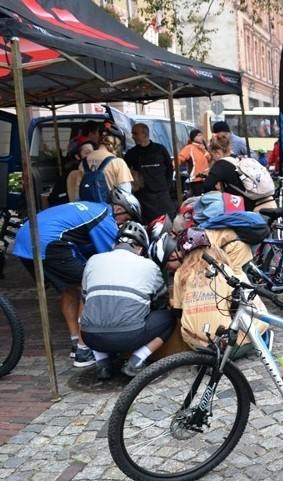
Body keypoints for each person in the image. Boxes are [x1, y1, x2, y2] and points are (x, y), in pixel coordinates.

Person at [11, 199, 130, 367]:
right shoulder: (104, 218)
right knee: (89, 288)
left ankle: (75, 342)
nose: (124, 223)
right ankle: (84, 350)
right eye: (126, 218)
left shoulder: (92, 207)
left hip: (26, 237)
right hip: (48, 241)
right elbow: (113, 255)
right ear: (118, 209)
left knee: (69, 289)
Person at [80, 221, 173, 379]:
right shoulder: (148, 265)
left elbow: (84, 298)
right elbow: (161, 301)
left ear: (114, 245)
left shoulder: (93, 260)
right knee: (169, 319)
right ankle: (136, 361)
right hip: (129, 337)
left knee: (90, 309)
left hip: (89, 336)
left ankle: (102, 364)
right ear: (140, 249)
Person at [203, 133, 276, 212]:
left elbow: (207, 185)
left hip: (243, 207)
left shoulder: (220, 165)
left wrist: (219, 194)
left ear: (217, 153)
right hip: (260, 200)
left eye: (212, 154)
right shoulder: (238, 159)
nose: (212, 158)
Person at [124, 123, 176, 223]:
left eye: (135, 133)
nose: (133, 137)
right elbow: (124, 170)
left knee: (167, 223)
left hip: (161, 196)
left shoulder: (160, 150)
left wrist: (167, 187)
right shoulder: (132, 153)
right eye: (132, 134)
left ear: (144, 133)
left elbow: (170, 168)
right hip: (143, 198)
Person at [68, 125, 133, 203]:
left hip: (90, 210)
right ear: (116, 142)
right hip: (109, 210)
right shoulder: (118, 162)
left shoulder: (83, 163)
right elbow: (126, 195)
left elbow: (77, 195)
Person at [178, 129, 210, 197]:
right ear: (193, 137)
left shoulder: (202, 147)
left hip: (206, 178)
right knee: (198, 199)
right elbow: (180, 158)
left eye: (201, 135)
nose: (201, 137)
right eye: (198, 135)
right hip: (196, 179)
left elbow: (209, 159)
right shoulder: (189, 148)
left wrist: (204, 150)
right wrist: (171, 166)